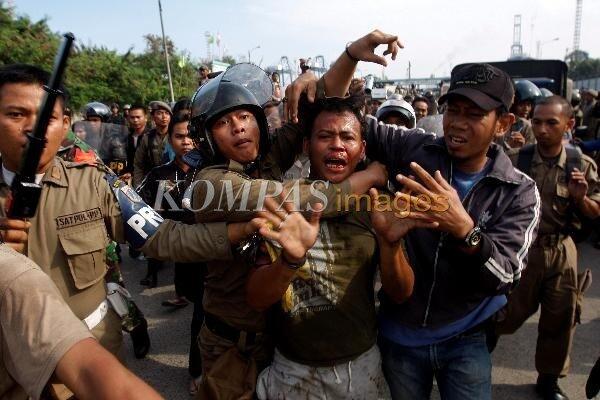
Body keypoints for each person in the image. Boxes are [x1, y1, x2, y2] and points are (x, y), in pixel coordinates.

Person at [0, 63, 261, 396]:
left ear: (65, 124)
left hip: (93, 370)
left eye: (47, 119)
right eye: (16, 115)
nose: (31, 130)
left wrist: (239, 232)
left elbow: (163, 236)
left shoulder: (95, 183)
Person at [320, 62, 540, 399]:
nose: (458, 124)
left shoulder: (519, 191)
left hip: (466, 338)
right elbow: (339, 115)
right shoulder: (415, 149)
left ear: (503, 123)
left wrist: (464, 228)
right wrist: (351, 56)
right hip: (399, 336)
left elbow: (506, 277)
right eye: (454, 110)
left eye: (474, 114)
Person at [249, 95, 431, 399]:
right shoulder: (283, 202)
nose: (337, 144)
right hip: (291, 370)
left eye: (347, 137)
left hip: (359, 368)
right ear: (307, 147)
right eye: (325, 136)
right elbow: (256, 298)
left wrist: (390, 244)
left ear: (362, 150)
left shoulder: (379, 205)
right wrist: (289, 261)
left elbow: (401, 293)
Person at [495, 95, 600, 400]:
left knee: (561, 316)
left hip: (561, 250)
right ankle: (475, 351)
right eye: (537, 122)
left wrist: (582, 198)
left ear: (568, 125)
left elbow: (596, 213)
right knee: (505, 313)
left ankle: (549, 379)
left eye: (551, 123)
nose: (541, 129)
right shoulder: (518, 160)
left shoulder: (581, 165)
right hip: (523, 249)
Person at [0, 244, 163, 400]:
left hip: (94, 334)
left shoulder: (12, 274)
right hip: (31, 360)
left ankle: (135, 323)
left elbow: (86, 371)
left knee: (116, 290)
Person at [133, 100, 172, 187]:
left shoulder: (175, 136)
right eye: (160, 113)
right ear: (153, 117)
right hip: (153, 184)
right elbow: (139, 165)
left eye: (167, 113)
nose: (164, 116)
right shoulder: (147, 138)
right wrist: (138, 186)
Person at [497, 79, 540, 150]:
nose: (526, 108)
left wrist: (523, 147)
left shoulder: (527, 127)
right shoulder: (500, 122)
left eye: (528, 105)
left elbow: (532, 153)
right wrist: (508, 146)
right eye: (521, 105)